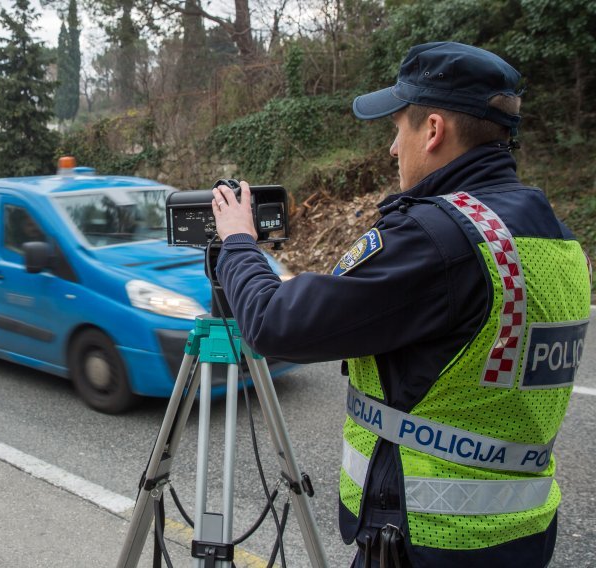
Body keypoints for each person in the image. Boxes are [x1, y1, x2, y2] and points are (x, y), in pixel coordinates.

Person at [210, 41, 592, 568]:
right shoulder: (555, 238)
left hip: (426, 541)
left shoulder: (436, 240)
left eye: (399, 129)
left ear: (433, 131)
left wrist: (236, 243)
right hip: (521, 532)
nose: (393, 149)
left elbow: (275, 323)